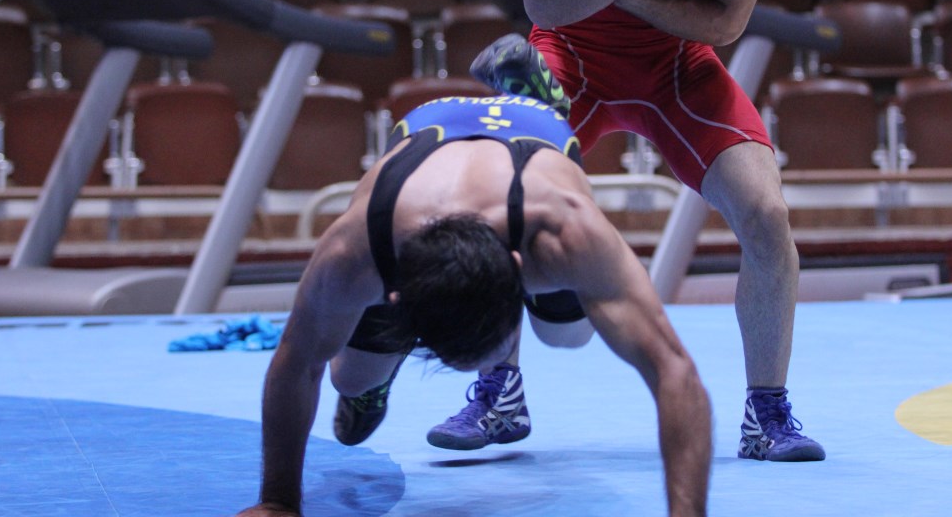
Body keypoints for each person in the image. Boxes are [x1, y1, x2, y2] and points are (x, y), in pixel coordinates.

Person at [428, 0, 826, 463]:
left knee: (768, 215)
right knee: (495, 205)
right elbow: (543, 3)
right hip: (569, 57)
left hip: (677, 68)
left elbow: (725, 24)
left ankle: (767, 415)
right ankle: (498, 393)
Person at [233, 37, 713, 517]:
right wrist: (277, 501)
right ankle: (376, 383)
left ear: (519, 271)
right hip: (431, 137)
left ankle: (539, 103)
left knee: (566, 336)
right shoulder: (355, 247)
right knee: (352, 381)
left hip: (534, 137)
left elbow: (673, 369)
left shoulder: (566, 228)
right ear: (395, 297)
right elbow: (297, 361)